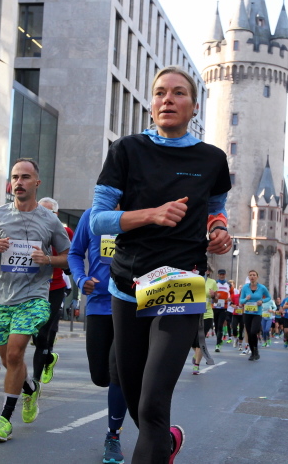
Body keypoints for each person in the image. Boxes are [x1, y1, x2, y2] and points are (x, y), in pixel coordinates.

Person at [90, 65, 232, 463]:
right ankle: (165, 444)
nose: (167, 99)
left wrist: (220, 229)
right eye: (160, 93)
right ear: (152, 104)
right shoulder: (126, 150)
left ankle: (158, 443)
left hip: (181, 283)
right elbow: (97, 219)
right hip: (127, 286)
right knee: (136, 399)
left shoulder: (212, 159)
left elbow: (216, 209)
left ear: (194, 107)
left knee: (153, 403)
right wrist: (150, 215)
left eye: (178, 92)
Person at [0, 158, 71, 442]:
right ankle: (30, 389)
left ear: (36, 183)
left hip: (34, 297)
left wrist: (48, 259)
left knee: (16, 354)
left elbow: (69, 258)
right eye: (15, 177)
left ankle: (4, 419)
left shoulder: (50, 220)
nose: (19, 182)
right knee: (8, 360)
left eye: (25, 177)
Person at [69, 206, 128, 464]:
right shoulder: (92, 215)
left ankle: (113, 435)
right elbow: (74, 253)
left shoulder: (140, 212)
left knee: (118, 370)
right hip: (98, 304)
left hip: (131, 304)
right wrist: (81, 280)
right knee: (100, 376)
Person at [31, 197, 72, 386]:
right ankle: (48, 358)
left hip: (55, 287)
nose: (44, 215)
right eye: (40, 210)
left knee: (44, 331)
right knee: (35, 333)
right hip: (32, 287)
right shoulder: (30, 230)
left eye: (49, 212)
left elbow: (71, 256)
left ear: (56, 214)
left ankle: (35, 382)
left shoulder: (66, 232)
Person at [239, 270, 271, 361]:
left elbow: (269, 297)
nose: (252, 276)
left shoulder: (262, 287)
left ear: (257, 277)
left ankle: (255, 349)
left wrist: (262, 301)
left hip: (257, 313)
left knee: (253, 332)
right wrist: (246, 299)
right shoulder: (245, 287)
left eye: (254, 275)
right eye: (250, 275)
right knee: (249, 333)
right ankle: (253, 353)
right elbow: (241, 301)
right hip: (247, 313)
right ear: (248, 277)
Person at [192, 266, 217, 373]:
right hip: (194, 314)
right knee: (192, 341)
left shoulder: (212, 282)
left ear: (209, 271)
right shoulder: (193, 280)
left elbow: (216, 300)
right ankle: (197, 354)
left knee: (200, 340)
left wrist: (213, 296)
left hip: (207, 315)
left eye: (206, 269)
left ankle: (196, 365)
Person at [212, 269, 231, 352]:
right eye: (220, 274)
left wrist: (230, 298)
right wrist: (215, 295)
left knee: (220, 325)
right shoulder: (215, 283)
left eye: (223, 274)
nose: (222, 276)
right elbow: (211, 293)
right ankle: (219, 339)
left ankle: (217, 345)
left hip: (224, 307)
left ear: (225, 275)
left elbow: (232, 293)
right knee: (216, 326)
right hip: (215, 307)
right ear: (218, 275)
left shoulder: (228, 284)